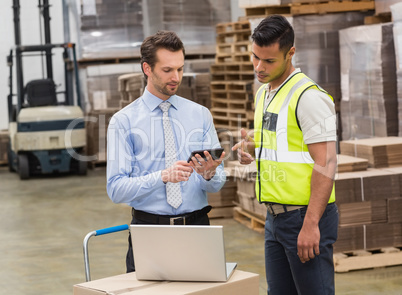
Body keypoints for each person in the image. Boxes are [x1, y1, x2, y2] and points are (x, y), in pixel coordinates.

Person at [232, 15, 338, 295]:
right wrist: (252, 148)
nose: (259, 67)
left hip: (304, 217)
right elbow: (281, 140)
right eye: (255, 57)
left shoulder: (309, 97)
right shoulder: (264, 93)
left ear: (290, 53)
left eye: (269, 61)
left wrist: (311, 225)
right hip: (274, 218)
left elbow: (326, 162)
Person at [106, 30, 226, 272]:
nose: (176, 77)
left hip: (198, 228)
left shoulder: (200, 115)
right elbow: (116, 189)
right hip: (150, 232)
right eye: (167, 70)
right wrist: (162, 177)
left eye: (180, 69)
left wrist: (209, 174)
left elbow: (217, 184)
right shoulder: (123, 122)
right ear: (147, 69)